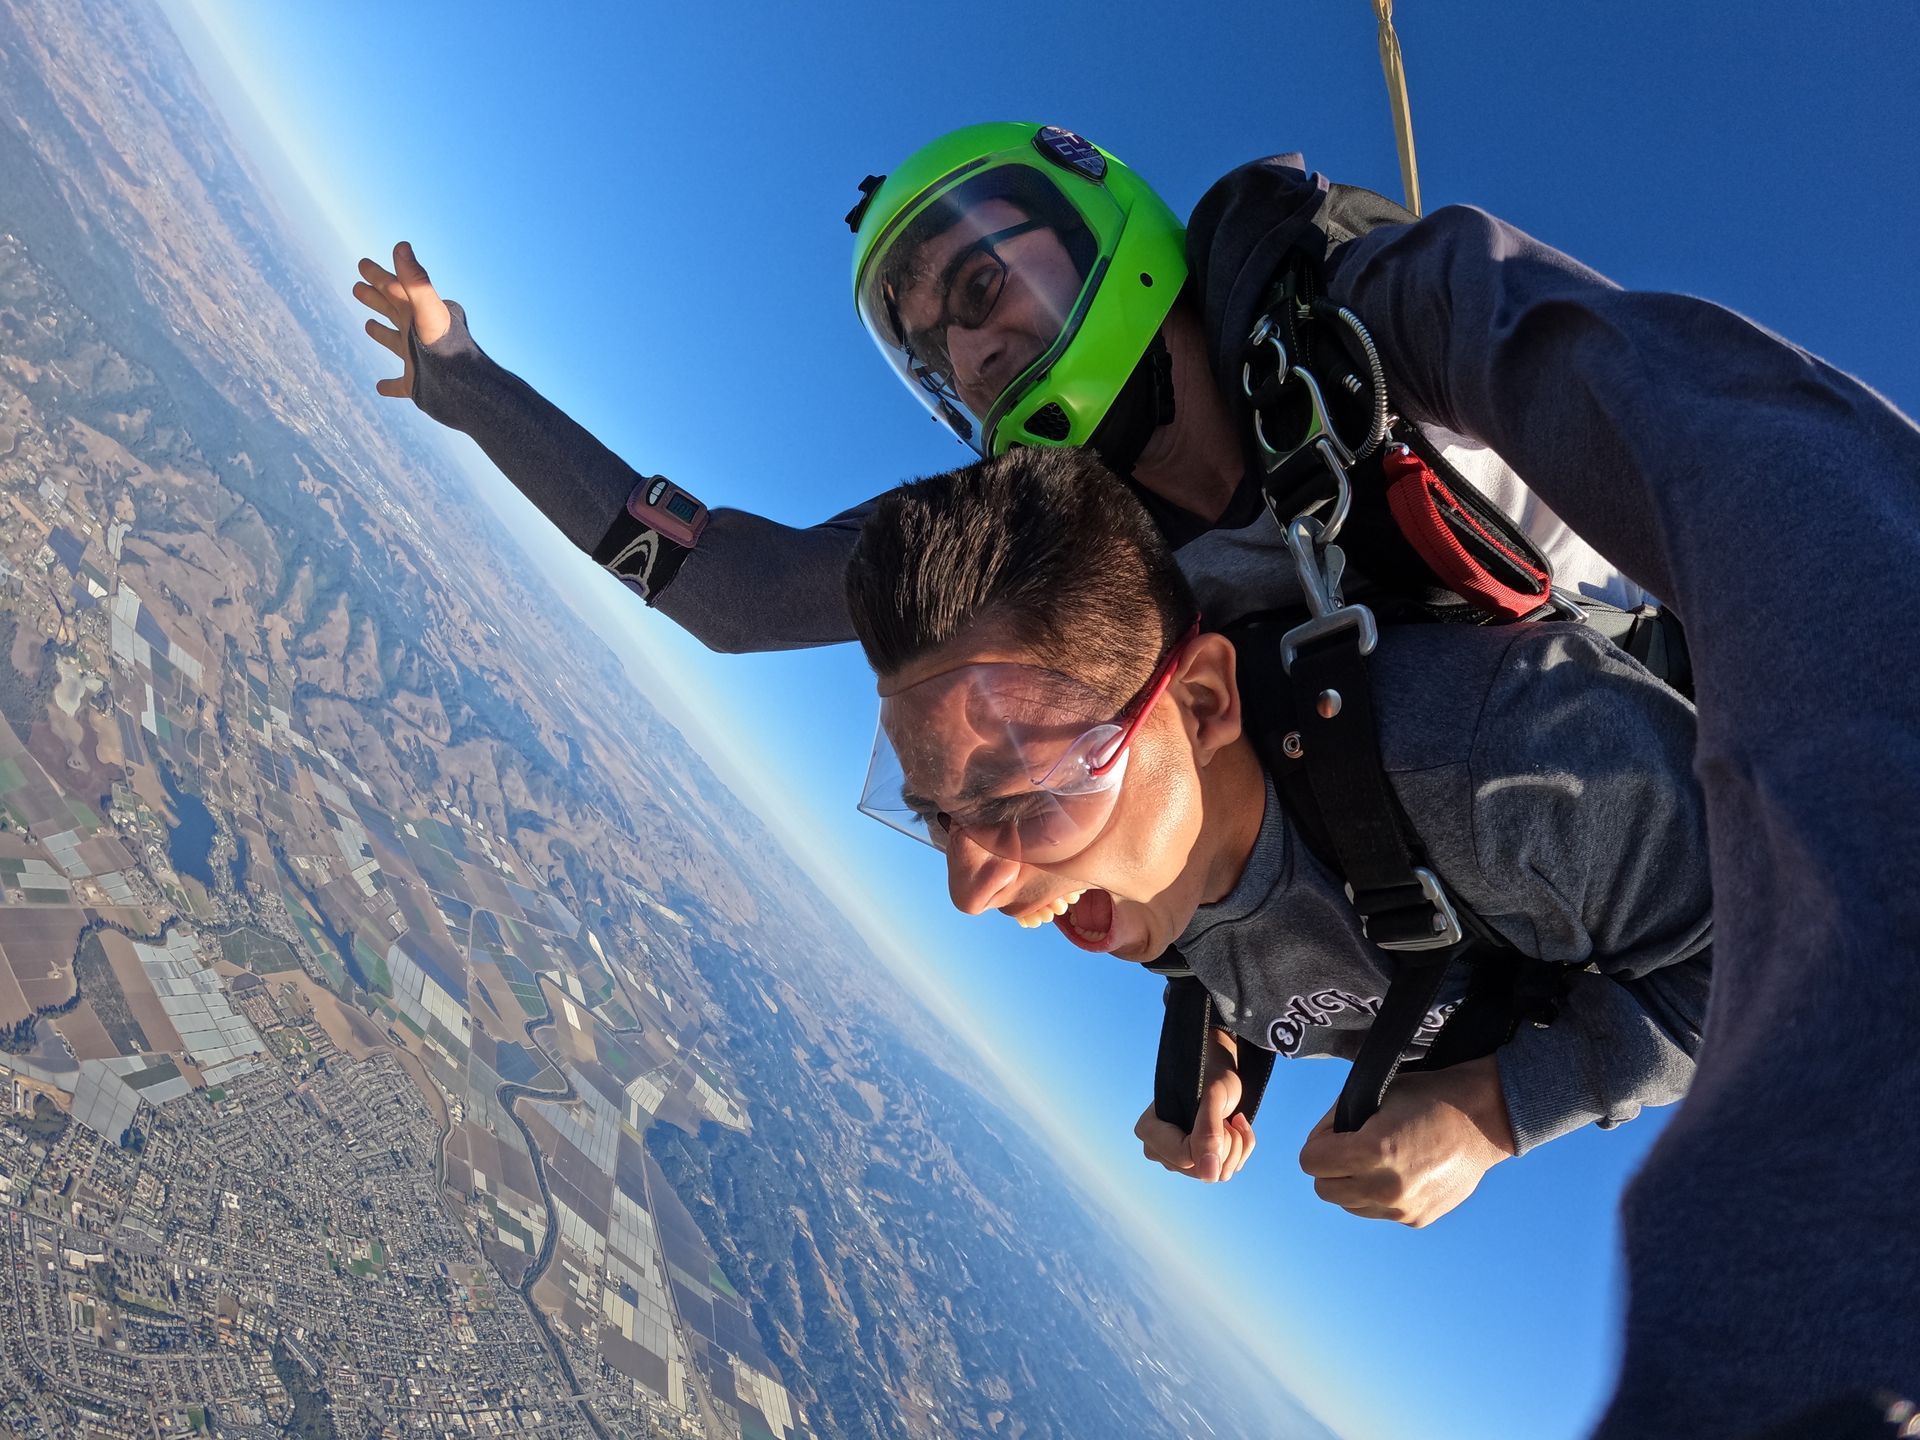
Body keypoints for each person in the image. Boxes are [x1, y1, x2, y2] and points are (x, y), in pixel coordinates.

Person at [843, 444, 1710, 1227]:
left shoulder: (1507, 764)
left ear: (1204, 706)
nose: (969, 889)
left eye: (1026, 800)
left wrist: (1498, 1111)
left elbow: (1790, 945)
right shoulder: (1147, 861)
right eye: (934, 816)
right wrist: (1228, 1048)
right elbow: (1253, 900)